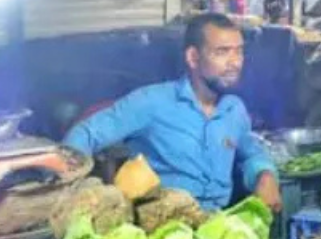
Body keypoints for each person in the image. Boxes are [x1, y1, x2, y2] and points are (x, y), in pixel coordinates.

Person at [63, 13, 282, 212]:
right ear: (193, 58)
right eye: (222, 52)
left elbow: (251, 151)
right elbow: (87, 133)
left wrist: (265, 175)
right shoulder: (152, 102)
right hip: (163, 231)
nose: (235, 63)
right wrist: (73, 188)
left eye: (239, 51)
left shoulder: (235, 109)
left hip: (219, 227)